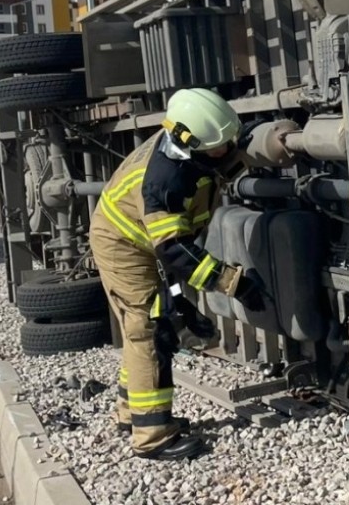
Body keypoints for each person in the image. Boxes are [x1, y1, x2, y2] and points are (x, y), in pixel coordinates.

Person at [88, 88, 263, 461]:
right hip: (123, 244)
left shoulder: (191, 149)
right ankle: (152, 436)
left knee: (152, 324)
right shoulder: (164, 182)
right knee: (148, 330)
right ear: (191, 143)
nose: (228, 150)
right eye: (220, 146)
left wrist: (179, 301)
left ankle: (129, 414)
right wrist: (235, 284)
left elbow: (176, 245)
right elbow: (174, 251)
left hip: (147, 241)